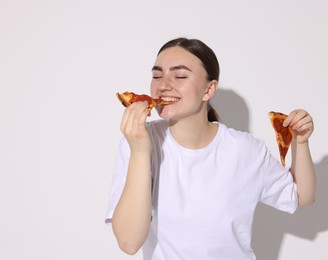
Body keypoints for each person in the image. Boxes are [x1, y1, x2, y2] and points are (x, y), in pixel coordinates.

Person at [105, 37, 316, 259]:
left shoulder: (246, 150)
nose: (163, 85)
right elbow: (129, 242)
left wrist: (300, 143)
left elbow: (301, 195)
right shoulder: (137, 141)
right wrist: (139, 151)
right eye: (157, 75)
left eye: (180, 76)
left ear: (209, 89)